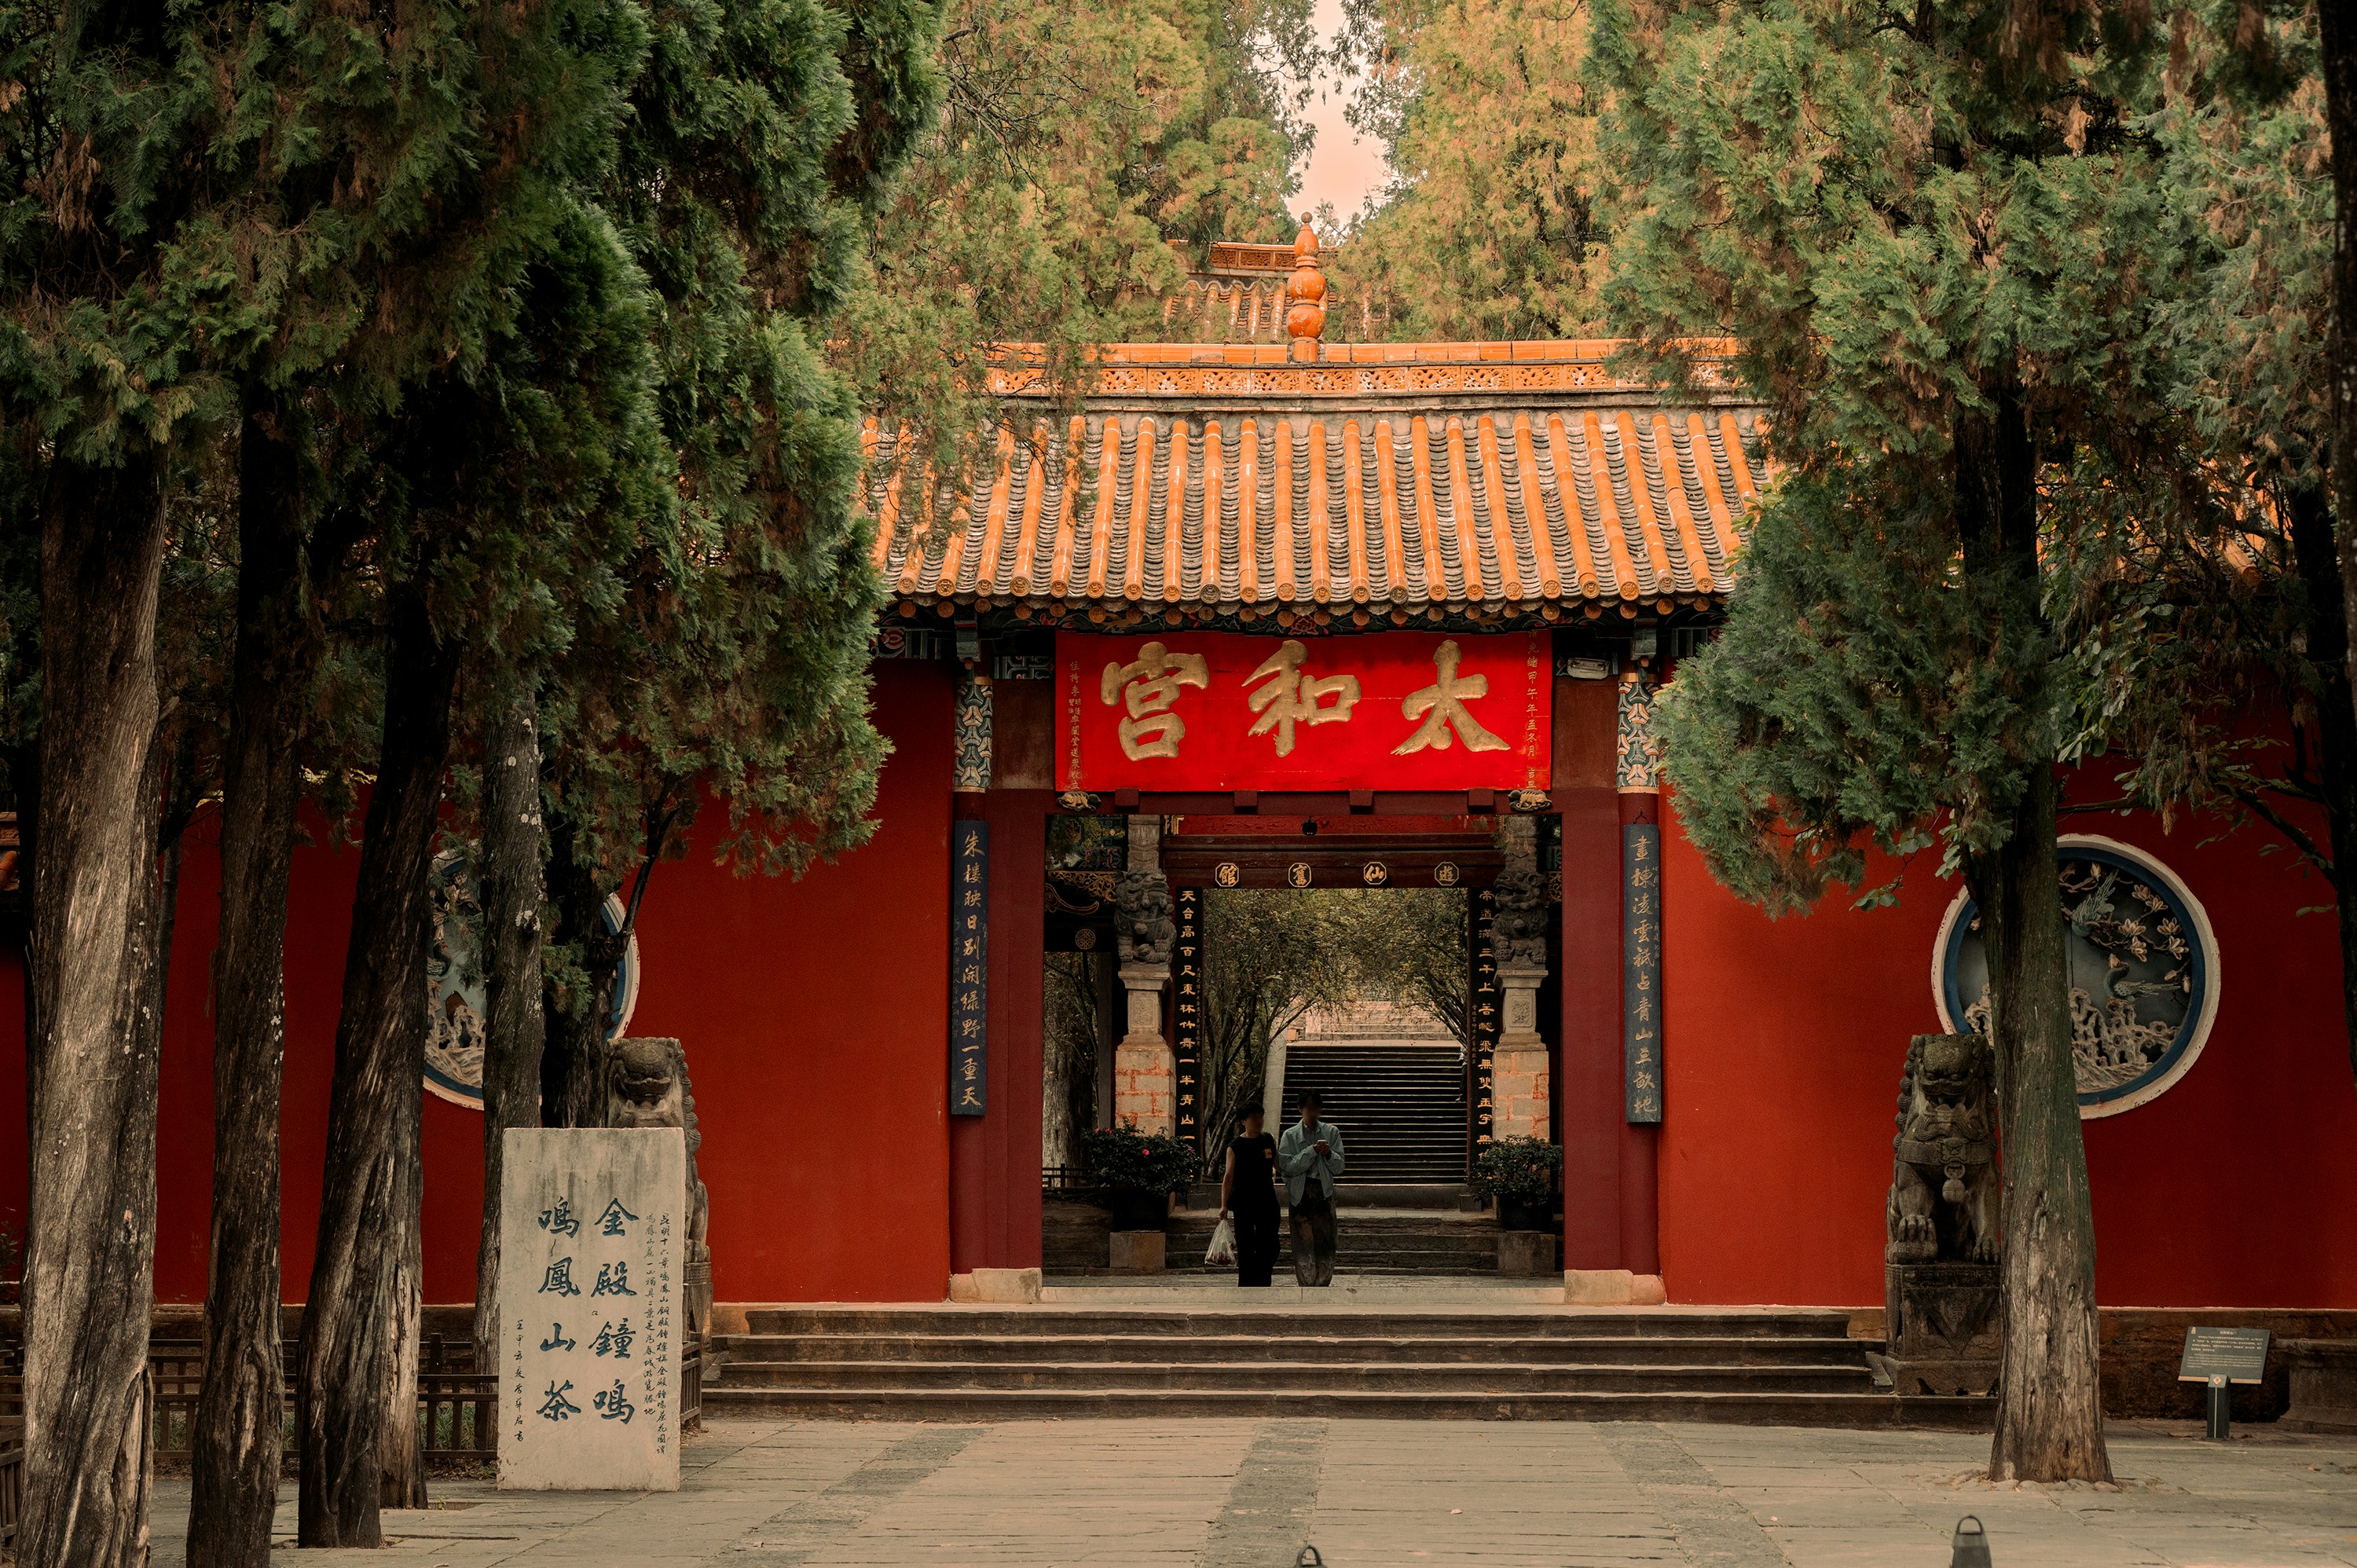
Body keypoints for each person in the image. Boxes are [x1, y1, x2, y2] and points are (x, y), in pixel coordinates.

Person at [1277, 1090, 1346, 1285]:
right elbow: (1287, 1166)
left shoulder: (1331, 1132)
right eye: (1308, 1107)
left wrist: (1328, 1154)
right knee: (1302, 1240)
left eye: (1315, 1107)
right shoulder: (1290, 1135)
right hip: (1300, 1193)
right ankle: (1306, 1283)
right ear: (1300, 1109)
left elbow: (1339, 1167)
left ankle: (1323, 1281)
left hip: (1323, 1191)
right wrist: (1310, 1151)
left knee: (1326, 1240)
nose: (1312, 1112)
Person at [1219, 1101, 1281, 1287]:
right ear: (1243, 1122)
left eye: (1261, 1117)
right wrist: (1224, 1205)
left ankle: (1263, 1281)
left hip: (1267, 1200)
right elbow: (1228, 1177)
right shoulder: (1235, 1146)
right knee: (1246, 1246)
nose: (1259, 1121)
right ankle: (1246, 1285)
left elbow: (1278, 1165)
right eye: (1254, 1118)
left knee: (1270, 1245)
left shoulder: (1268, 1139)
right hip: (1244, 1202)